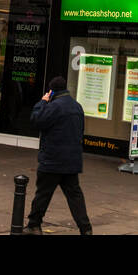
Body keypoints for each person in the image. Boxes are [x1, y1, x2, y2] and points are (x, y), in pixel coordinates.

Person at [23, 76, 92, 235]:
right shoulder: (77, 107)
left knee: (42, 195)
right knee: (75, 196)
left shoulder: (53, 106)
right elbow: (80, 131)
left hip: (52, 160)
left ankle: (34, 225)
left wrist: (42, 102)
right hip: (72, 160)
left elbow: (36, 120)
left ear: (52, 91)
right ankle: (86, 228)